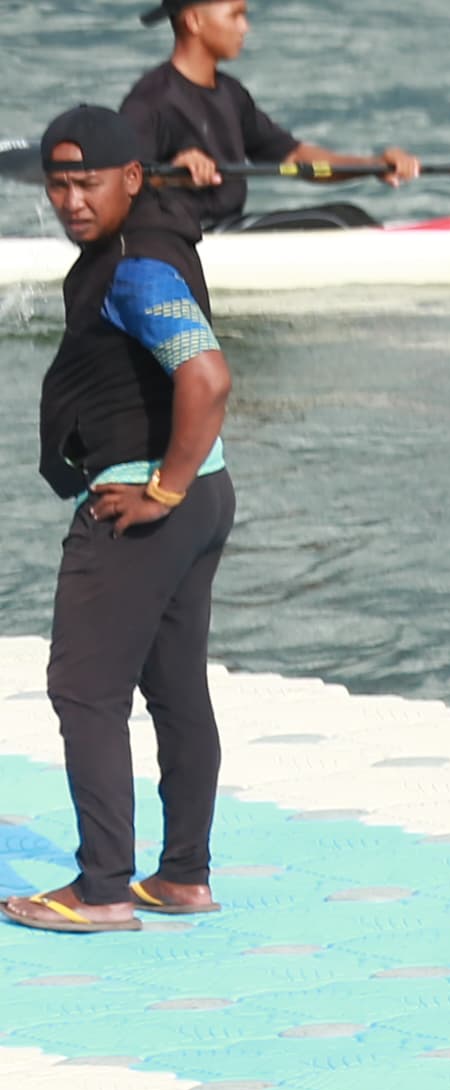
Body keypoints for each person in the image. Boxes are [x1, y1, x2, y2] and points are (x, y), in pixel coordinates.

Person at [10, 108, 232, 937]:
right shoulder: (129, 257)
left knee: (85, 690)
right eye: (57, 184)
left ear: (131, 181)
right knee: (175, 689)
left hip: (147, 506)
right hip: (201, 496)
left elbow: (206, 377)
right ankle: (182, 878)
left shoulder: (137, 272)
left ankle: (102, 888)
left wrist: (162, 492)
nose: (70, 199)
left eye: (87, 182)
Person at [124, 0, 418, 239]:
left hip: (228, 230)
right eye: (235, 15)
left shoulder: (231, 94)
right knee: (339, 225)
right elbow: (118, 183)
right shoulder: (150, 100)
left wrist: (375, 166)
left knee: (349, 215)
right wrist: (169, 174)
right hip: (185, 240)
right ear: (194, 22)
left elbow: (297, 158)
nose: (245, 27)